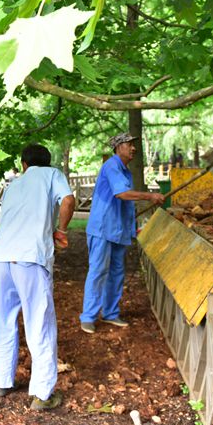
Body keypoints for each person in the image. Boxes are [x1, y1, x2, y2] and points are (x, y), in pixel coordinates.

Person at [0, 143, 76, 410]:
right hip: (31, 259)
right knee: (39, 323)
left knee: (2, 321)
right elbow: (69, 200)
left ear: (24, 164)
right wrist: (60, 229)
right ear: (46, 163)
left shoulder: (13, 185)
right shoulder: (51, 175)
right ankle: (42, 394)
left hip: (2, 259)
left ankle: (1, 382)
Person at [79, 133, 165, 333]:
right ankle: (88, 317)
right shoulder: (112, 165)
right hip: (102, 229)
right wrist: (149, 196)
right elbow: (122, 194)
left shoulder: (126, 171)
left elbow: (123, 201)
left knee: (117, 272)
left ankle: (110, 313)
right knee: (98, 271)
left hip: (118, 230)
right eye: (129, 144)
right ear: (118, 148)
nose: (133, 148)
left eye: (134, 145)